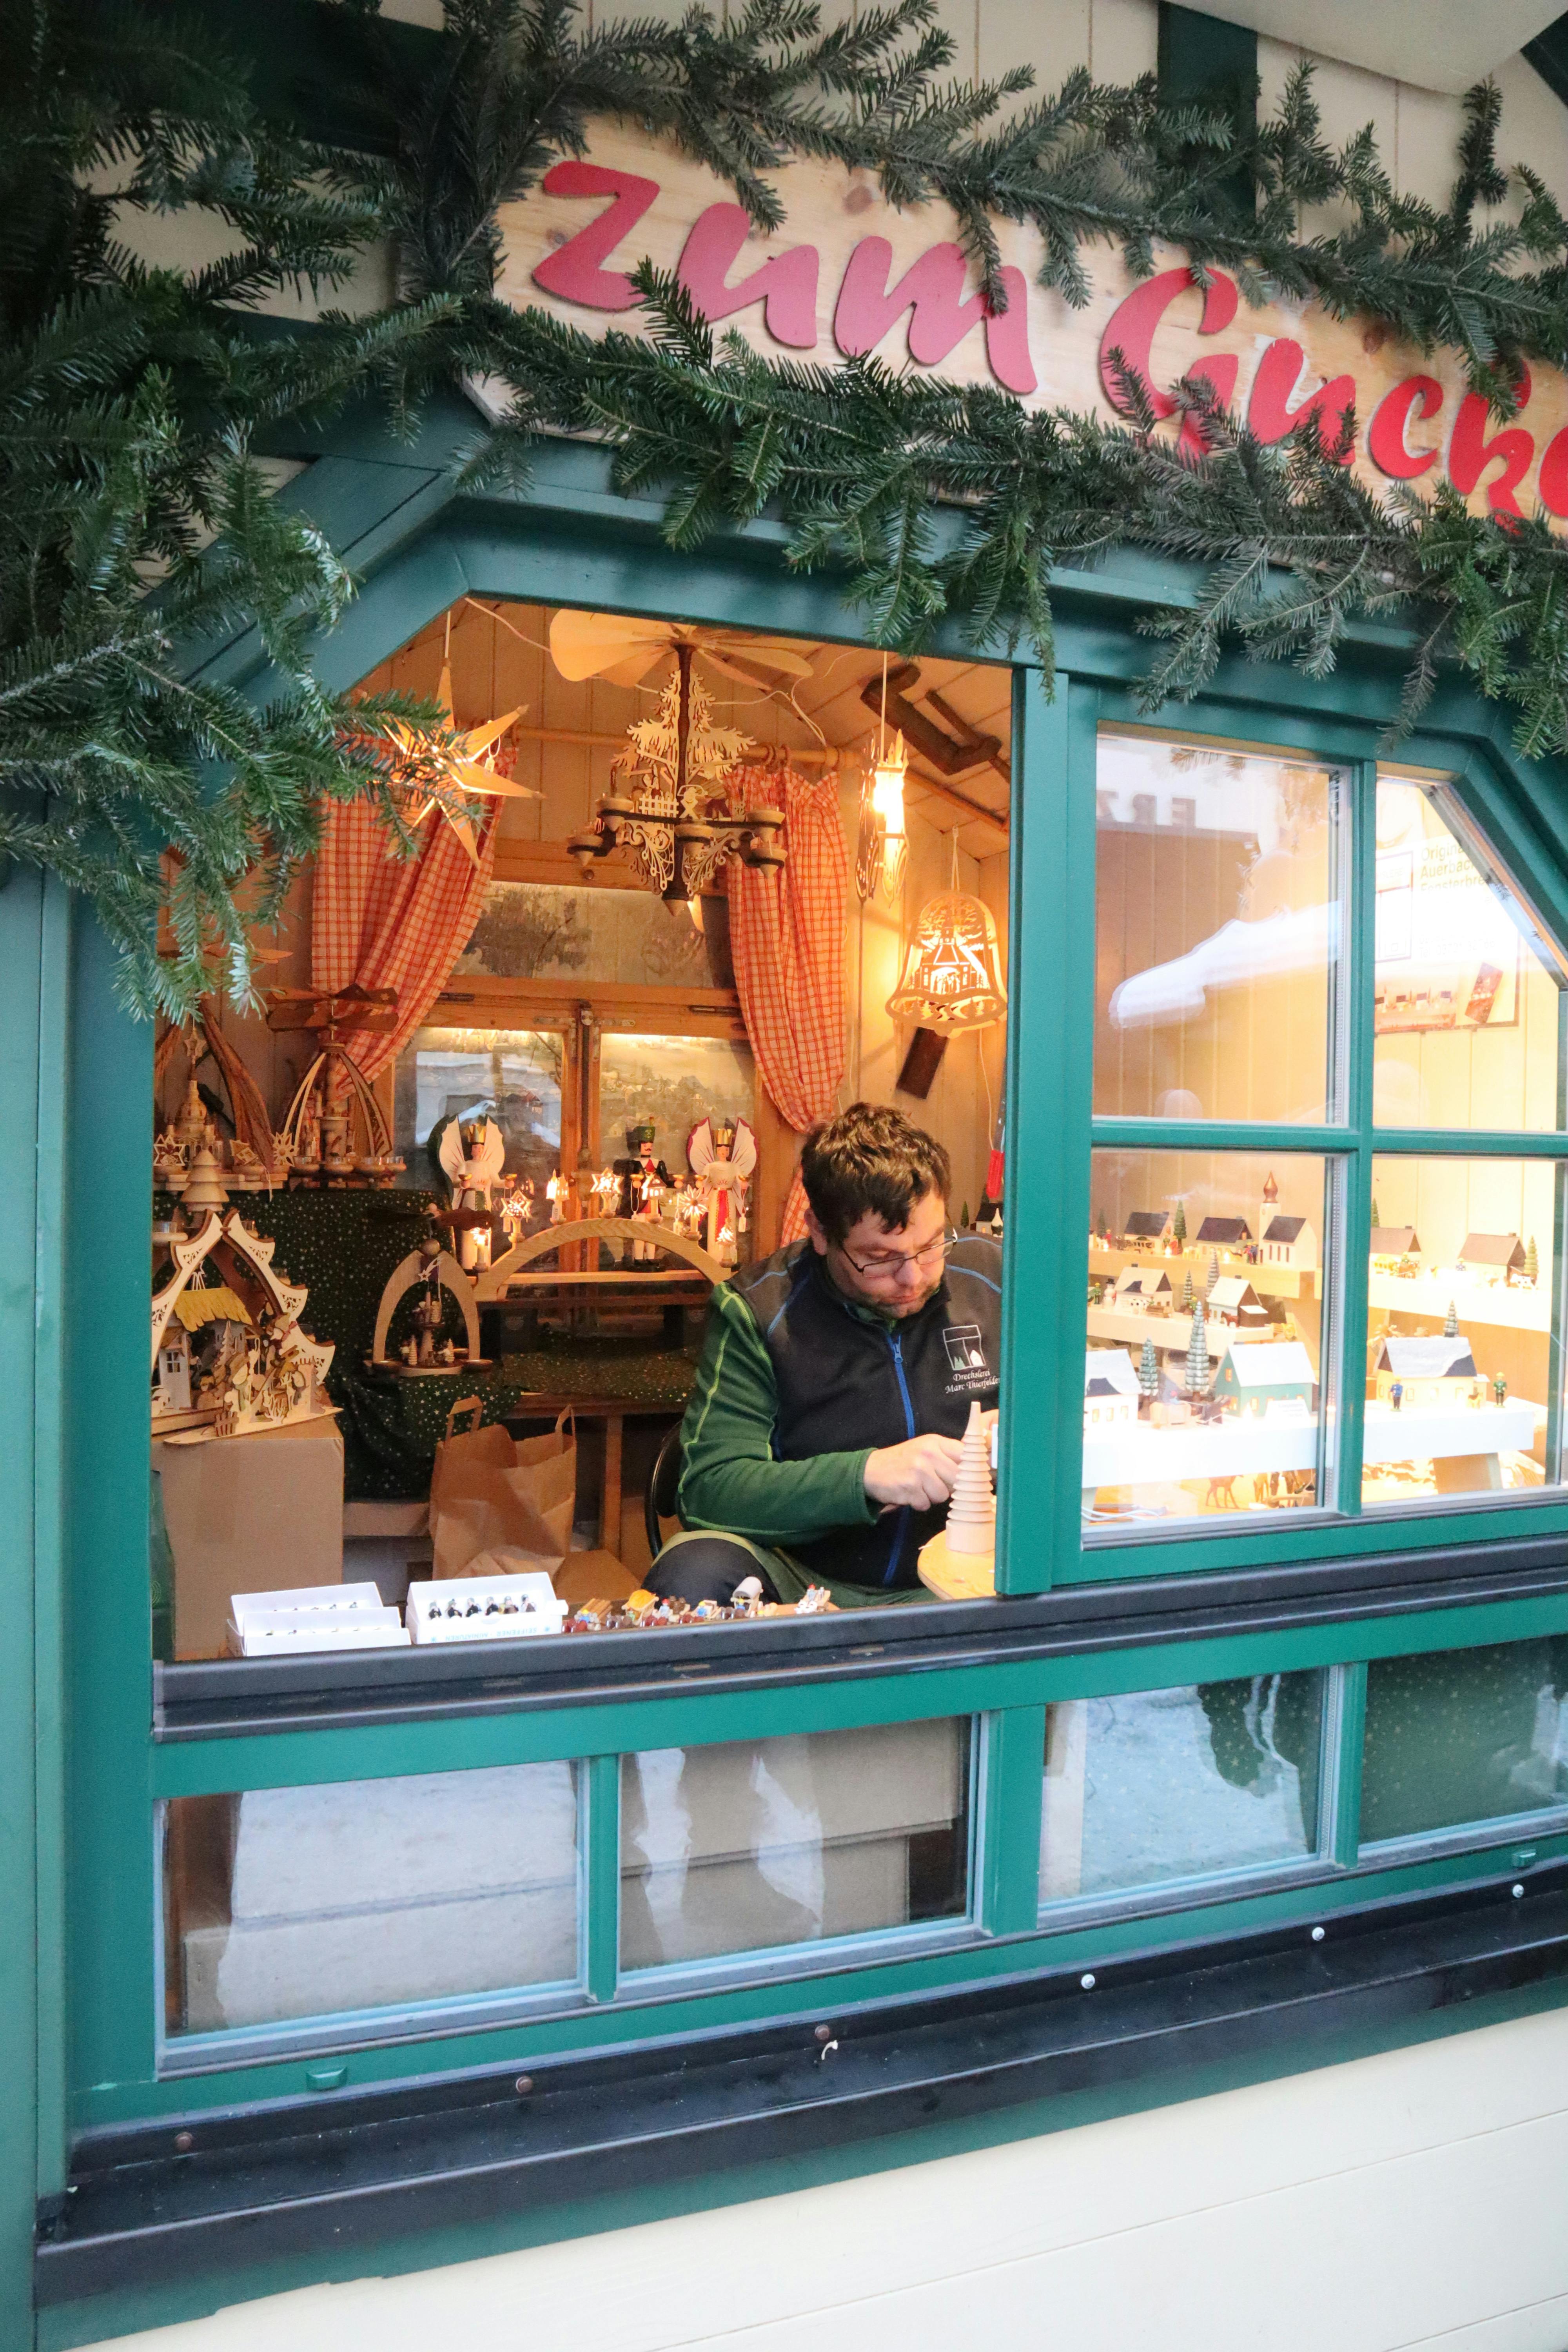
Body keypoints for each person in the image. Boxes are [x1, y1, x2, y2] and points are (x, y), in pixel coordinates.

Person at [646, 1102, 1002, 1610]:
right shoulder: (757, 1310)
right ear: (819, 1231)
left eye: (930, 1246)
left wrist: (1017, 1434)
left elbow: (1073, 1420)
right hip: (802, 1579)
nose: (914, 1277)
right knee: (692, 1571)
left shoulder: (993, 1275)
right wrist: (866, 1477)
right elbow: (709, 1489)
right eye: (880, 1260)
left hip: (970, 1578)